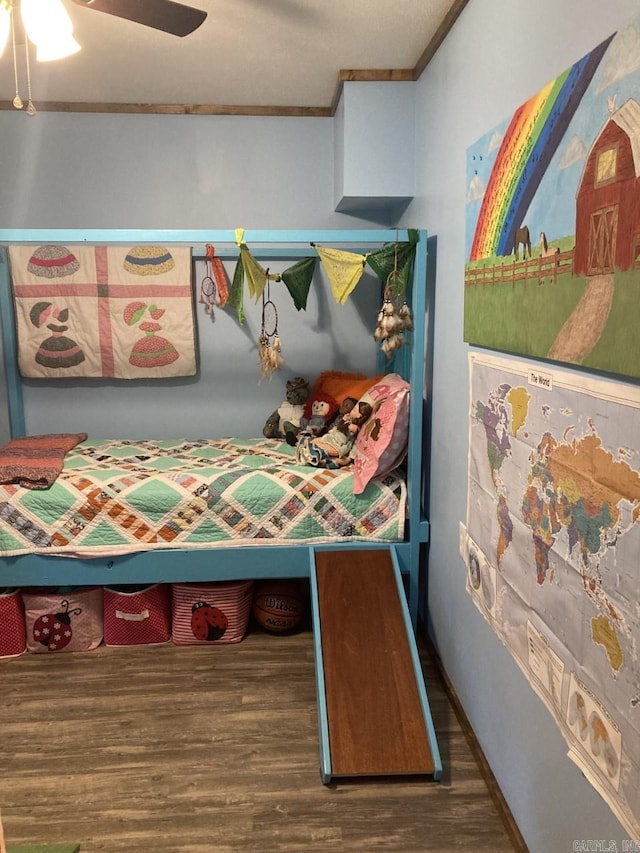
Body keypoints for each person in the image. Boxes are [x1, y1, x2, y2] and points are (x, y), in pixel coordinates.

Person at [295, 398, 373, 469]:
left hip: (337, 445)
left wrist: (350, 458)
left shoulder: (354, 427)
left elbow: (347, 436)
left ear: (359, 415)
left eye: (354, 410)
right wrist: (343, 420)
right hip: (330, 439)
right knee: (310, 441)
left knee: (314, 446)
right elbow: (336, 428)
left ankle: (326, 460)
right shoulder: (348, 420)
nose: (351, 410)